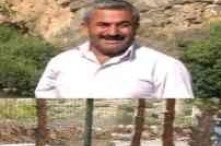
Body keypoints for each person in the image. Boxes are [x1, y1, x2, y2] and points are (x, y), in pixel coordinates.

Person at [35, 0, 194, 99]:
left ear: (136, 27)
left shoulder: (165, 67)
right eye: (103, 25)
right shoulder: (60, 63)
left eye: (123, 25)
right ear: (85, 28)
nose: (113, 33)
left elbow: (180, 116)